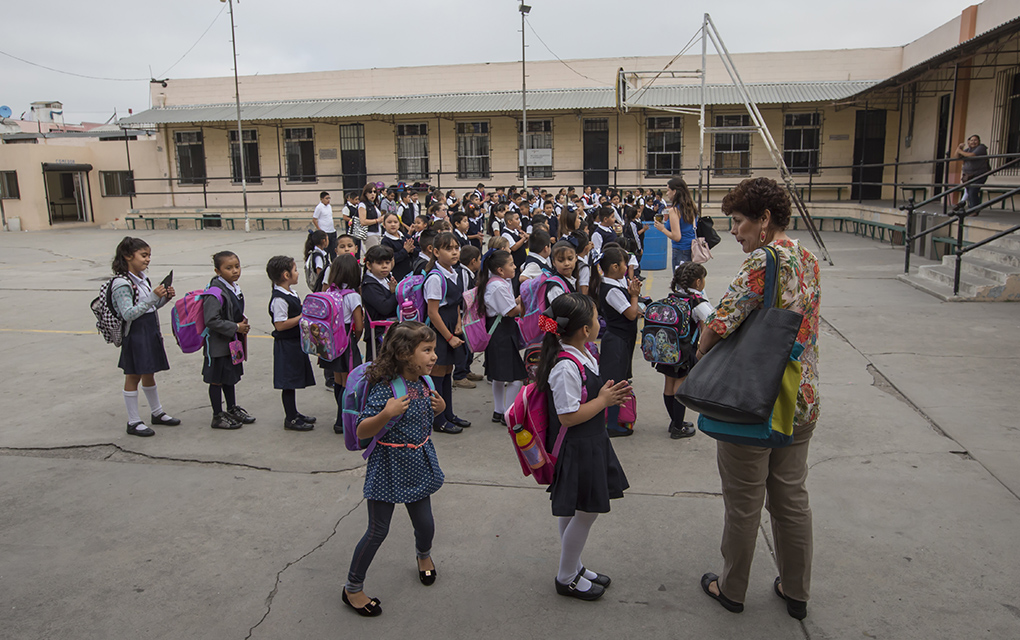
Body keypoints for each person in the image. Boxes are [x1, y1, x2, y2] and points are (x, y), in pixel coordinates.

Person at [696, 177, 820, 621]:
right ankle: (796, 589)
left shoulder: (763, 262)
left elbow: (720, 323)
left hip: (753, 403)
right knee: (791, 499)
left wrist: (700, 353)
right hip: (800, 398)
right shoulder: (807, 259)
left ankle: (732, 590)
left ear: (764, 220)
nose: (734, 231)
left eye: (739, 221)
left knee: (744, 504)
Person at [342, 322, 447, 618]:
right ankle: (352, 587)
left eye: (433, 349)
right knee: (377, 530)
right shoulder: (386, 389)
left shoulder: (425, 383)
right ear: (404, 354)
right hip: (388, 466)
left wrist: (437, 409)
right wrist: (386, 413)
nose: (433, 356)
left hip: (417, 464)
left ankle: (423, 556)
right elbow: (363, 428)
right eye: (426, 350)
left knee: (425, 525)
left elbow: (425, 415)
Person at [535, 293, 631, 601]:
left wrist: (603, 394)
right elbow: (567, 417)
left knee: (575, 509)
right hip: (577, 447)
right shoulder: (566, 366)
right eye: (595, 316)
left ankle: (573, 566)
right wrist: (604, 401)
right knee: (587, 512)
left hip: (589, 442)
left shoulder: (582, 352)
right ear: (585, 330)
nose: (598, 320)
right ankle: (566, 577)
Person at [109, 237, 179, 437]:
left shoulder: (142, 279)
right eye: (144, 255)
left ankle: (157, 412)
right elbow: (128, 313)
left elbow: (150, 308)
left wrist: (163, 298)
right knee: (133, 375)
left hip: (149, 330)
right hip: (135, 334)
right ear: (128, 256)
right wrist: (152, 297)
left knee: (149, 372)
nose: (147, 259)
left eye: (149, 255)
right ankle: (133, 421)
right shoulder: (122, 283)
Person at [655, 262, 712, 440]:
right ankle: (678, 427)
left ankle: (674, 421)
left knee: (669, 384)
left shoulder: (673, 297)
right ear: (697, 282)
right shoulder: (697, 303)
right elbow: (712, 321)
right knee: (680, 385)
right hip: (684, 351)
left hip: (667, 349)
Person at [589, 246, 642, 437]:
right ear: (614, 267)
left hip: (622, 339)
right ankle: (611, 424)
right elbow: (629, 314)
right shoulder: (610, 290)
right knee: (615, 382)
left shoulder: (617, 283)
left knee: (620, 379)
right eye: (624, 264)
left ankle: (613, 420)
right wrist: (634, 296)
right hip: (616, 340)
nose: (627, 268)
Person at [424, 232, 471, 434]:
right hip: (439, 332)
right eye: (448, 248)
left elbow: (457, 304)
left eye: (456, 248)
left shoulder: (455, 273)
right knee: (436, 373)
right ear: (435, 252)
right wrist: (449, 337)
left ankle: (449, 413)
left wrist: (459, 323)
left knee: (447, 371)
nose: (454, 252)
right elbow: (433, 313)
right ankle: (438, 419)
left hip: (452, 327)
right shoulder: (435, 278)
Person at [203, 251, 255, 430]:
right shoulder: (215, 292)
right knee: (216, 379)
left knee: (229, 377)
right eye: (229, 268)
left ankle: (231, 408)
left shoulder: (233, 287)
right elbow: (211, 319)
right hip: (218, 345)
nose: (235, 271)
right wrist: (235, 327)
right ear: (218, 270)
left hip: (231, 343)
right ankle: (217, 415)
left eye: (237, 266)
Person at [266, 255, 317, 431]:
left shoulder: (290, 292)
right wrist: (302, 316)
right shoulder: (279, 299)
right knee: (287, 383)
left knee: (294, 380)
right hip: (286, 345)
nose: (297, 273)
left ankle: (295, 412)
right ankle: (290, 418)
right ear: (286, 275)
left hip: (295, 343)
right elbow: (280, 325)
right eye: (295, 270)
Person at [475, 249, 525, 424]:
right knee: (515, 377)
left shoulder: (496, 282)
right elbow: (511, 311)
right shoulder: (497, 286)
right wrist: (523, 303)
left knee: (498, 376)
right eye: (511, 264)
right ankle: (509, 413)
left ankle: (499, 410)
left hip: (498, 332)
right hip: (501, 334)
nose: (515, 266)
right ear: (500, 270)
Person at [319, 255, 364, 434]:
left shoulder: (330, 293)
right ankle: (342, 421)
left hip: (331, 343)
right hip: (346, 342)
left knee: (338, 379)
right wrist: (356, 338)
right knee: (348, 382)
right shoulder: (353, 296)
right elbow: (359, 325)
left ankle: (339, 419)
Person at [361, 244, 398, 362]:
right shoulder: (369, 285)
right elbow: (384, 307)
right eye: (379, 263)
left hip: (388, 332)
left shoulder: (386, 278)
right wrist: (394, 294)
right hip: (377, 335)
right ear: (369, 265)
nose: (384, 267)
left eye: (387, 263)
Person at [654, 176, 698, 271]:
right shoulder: (691, 207)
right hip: (692, 248)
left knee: (681, 282)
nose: (667, 193)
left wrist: (662, 229)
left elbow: (677, 236)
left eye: (668, 190)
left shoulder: (674, 210)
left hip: (680, 250)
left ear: (674, 191)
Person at [952, 134, 991, 212]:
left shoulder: (981, 147)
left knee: (973, 191)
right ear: (969, 142)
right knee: (969, 191)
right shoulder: (968, 149)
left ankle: (974, 210)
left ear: (979, 141)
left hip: (979, 174)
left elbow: (972, 156)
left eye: (975, 140)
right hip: (968, 175)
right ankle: (970, 208)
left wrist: (960, 152)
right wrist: (959, 148)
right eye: (971, 140)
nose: (973, 142)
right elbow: (956, 156)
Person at [380, 212, 415, 282]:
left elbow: (418, 249)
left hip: (411, 273)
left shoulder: (405, 236)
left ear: (399, 224)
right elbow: (390, 258)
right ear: (384, 225)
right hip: (398, 276)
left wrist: (412, 250)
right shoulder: (385, 241)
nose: (393, 224)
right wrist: (405, 251)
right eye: (389, 222)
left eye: (395, 222)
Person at [359, 183, 384, 251]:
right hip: (370, 234)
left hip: (378, 233)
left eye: (374, 192)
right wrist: (377, 220)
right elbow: (363, 221)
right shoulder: (363, 205)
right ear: (365, 193)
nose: (373, 194)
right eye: (370, 192)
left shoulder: (375, 205)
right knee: (373, 255)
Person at [313, 192, 338, 259]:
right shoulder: (319, 207)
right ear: (321, 199)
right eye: (326, 198)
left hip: (332, 230)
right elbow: (314, 219)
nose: (328, 200)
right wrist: (319, 229)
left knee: (333, 250)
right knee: (325, 250)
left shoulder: (329, 206)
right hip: (325, 231)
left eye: (329, 198)